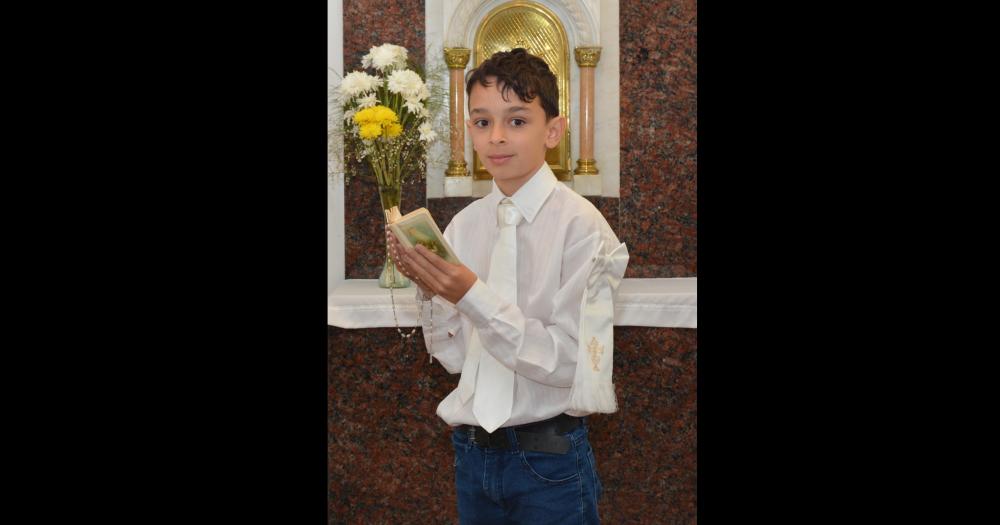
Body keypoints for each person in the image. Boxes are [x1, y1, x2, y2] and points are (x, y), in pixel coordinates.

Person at [387, 48, 627, 524]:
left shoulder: (582, 228)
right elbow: (458, 359)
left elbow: (569, 363)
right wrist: (433, 291)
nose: (495, 137)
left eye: (517, 121)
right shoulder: (464, 226)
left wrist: (471, 294)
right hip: (472, 453)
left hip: (549, 459)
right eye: (481, 122)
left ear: (553, 131)